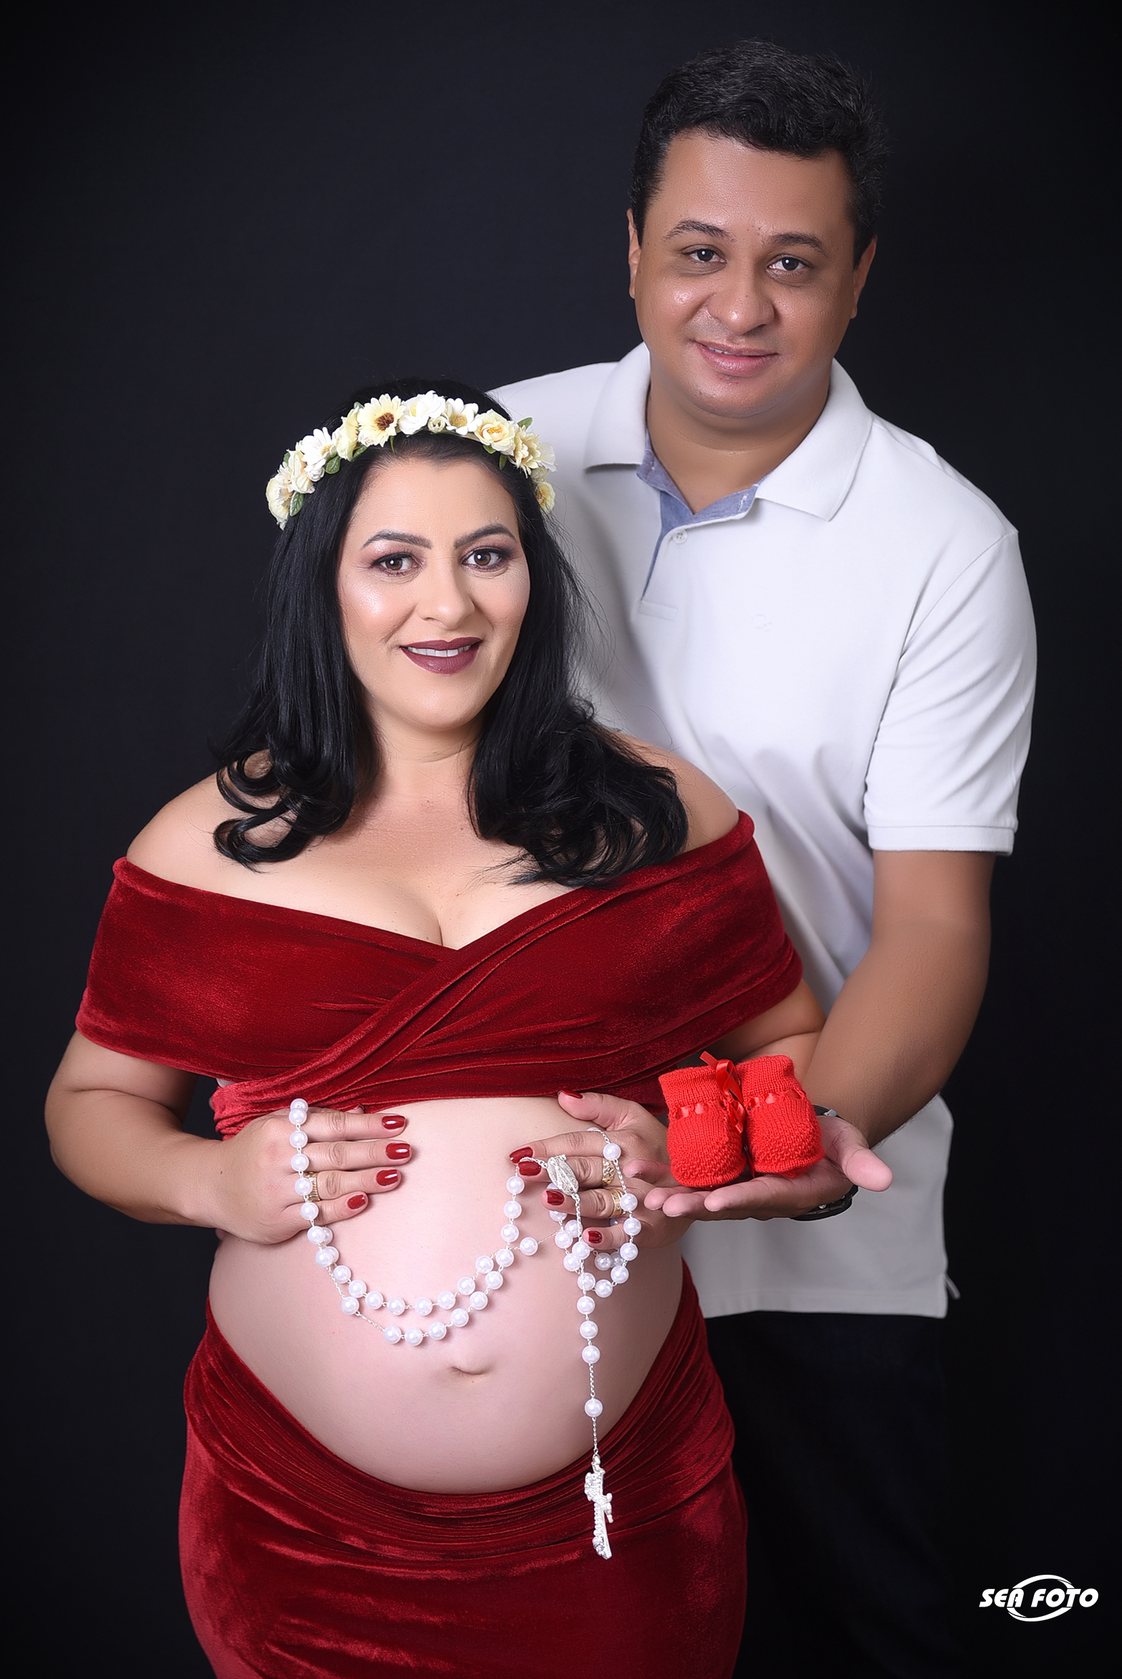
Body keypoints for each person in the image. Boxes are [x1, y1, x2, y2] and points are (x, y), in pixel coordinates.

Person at [45, 379, 832, 1679]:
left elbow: (793, 1048)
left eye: (488, 555)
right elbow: (89, 1106)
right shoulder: (204, 842)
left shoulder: (655, 811)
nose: (449, 605)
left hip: (618, 1518)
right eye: (395, 560)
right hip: (298, 1536)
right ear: (324, 585)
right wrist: (211, 1180)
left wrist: (686, 1151)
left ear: (535, 577)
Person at [494, 39, 1036, 1679]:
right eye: (699, 252)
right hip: (518, 1219)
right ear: (631, 252)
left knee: (857, 1642)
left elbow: (934, 929)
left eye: (794, 264)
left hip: (815, 1251)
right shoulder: (492, 461)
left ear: (860, 278)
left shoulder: (945, 547)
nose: (739, 307)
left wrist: (778, 1146)